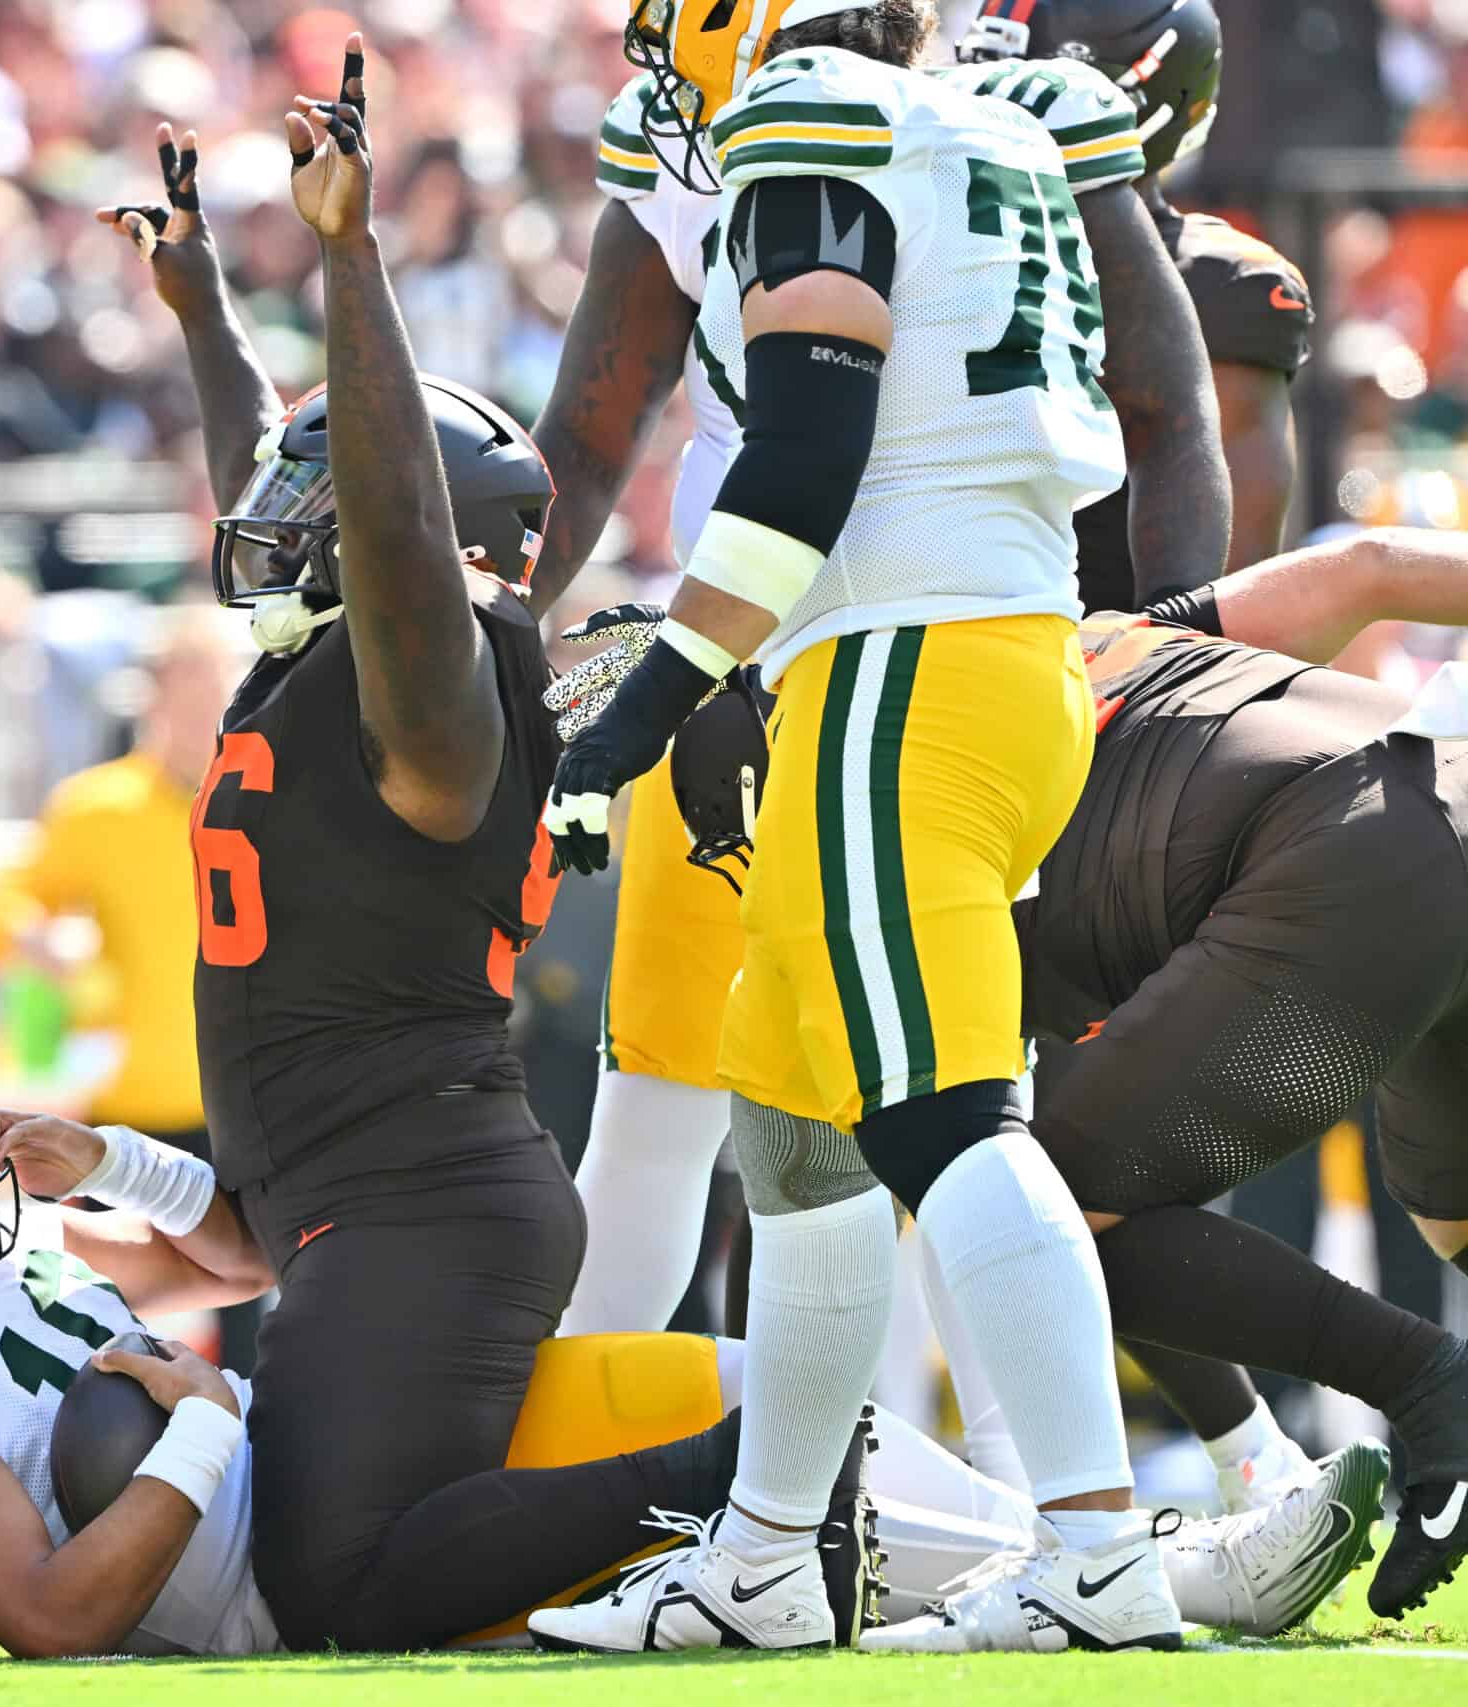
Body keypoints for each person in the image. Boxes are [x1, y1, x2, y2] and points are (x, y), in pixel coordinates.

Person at [103, 39, 867, 1652]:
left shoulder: (447, 698)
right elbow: (325, 477)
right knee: (339, 1576)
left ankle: (783, 1479)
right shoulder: (366, 661)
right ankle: (767, 1484)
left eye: (328, 492)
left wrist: (351, 256)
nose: (278, 512)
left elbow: (381, 513)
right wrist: (207, 321)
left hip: (420, 1203)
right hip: (360, 1189)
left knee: (346, 1590)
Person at [540, 0, 1211, 1654]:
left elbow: (810, 446)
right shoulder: (990, 119)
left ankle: (1093, 1550)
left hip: (897, 665)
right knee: (791, 1126)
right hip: (982, 646)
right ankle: (770, 1551)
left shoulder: (817, 114)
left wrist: (648, 700)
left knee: (949, 1124)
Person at [0, 1021, 1366, 1655]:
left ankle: (1116, 1556)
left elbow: (237, 1252)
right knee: (735, 1473)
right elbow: (56, 1622)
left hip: (324, 1453)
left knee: (755, 1393)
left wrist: (106, 1158)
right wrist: (200, 1426)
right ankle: (1140, 1577)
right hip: (295, 1566)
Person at [654, 525, 1468, 1627]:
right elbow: (1364, 566)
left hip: (1334, 870)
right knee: (1456, 1226)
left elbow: (972, 1206)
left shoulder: (877, 793)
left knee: (1032, 1211)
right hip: (1440, 789)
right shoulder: (1081, 635)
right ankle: (1275, 1458)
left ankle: (1421, 1391)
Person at [956, 0, 1321, 1507]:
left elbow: (1233, 530)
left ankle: (1261, 1454)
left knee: (1055, 1136)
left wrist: (1131, 699)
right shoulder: (967, 229)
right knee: (979, 1120)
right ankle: (1146, 1472)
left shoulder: (1213, 285)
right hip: (975, 715)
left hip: (1119, 724)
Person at [0, 606, 252, 1366]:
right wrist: (38, 937)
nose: (205, 716)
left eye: (219, 695)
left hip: (240, 1105)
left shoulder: (268, 804)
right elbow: (5, 906)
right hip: (123, 1116)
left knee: (250, 1324)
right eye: (189, 695)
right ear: (153, 698)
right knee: (109, 1322)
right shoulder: (94, 807)